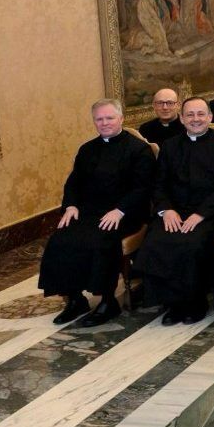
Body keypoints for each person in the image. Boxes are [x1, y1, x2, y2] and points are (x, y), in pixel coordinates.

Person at [40, 99, 156, 326]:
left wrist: (120, 210)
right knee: (60, 239)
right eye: (99, 119)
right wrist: (71, 205)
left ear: (121, 119)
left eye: (109, 118)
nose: (104, 123)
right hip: (89, 212)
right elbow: (73, 183)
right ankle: (74, 299)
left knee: (100, 240)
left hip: (126, 212)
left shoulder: (138, 150)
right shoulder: (87, 149)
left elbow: (143, 187)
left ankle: (107, 301)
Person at [135, 96, 214, 325]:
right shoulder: (170, 147)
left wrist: (200, 214)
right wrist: (166, 211)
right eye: (190, 115)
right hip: (175, 211)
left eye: (201, 114)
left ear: (210, 117)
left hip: (211, 213)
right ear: (181, 118)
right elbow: (158, 184)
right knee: (157, 240)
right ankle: (172, 303)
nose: (196, 119)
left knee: (192, 243)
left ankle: (195, 301)